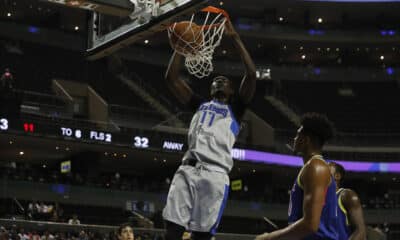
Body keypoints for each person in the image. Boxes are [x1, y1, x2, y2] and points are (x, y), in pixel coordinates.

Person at [162, 19, 256, 240]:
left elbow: (251, 74)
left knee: (201, 236)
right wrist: (181, 46)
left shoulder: (236, 109)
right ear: (210, 88)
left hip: (215, 174)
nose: (219, 80)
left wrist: (234, 37)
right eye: (215, 80)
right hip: (188, 168)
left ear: (232, 91)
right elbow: (171, 78)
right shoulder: (199, 104)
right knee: (173, 230)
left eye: (224, 80)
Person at [255, 113, 337, 240]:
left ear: (306, 140)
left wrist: (270, 237)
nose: (294, 139)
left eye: (297, 134)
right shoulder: (311, 167)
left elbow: (310, 224)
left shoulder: (316, 167)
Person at [329, 162, 366, 240]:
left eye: (327, 168)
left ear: (337, 176)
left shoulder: (347, 195)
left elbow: (360, 232)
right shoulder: (318, 200)